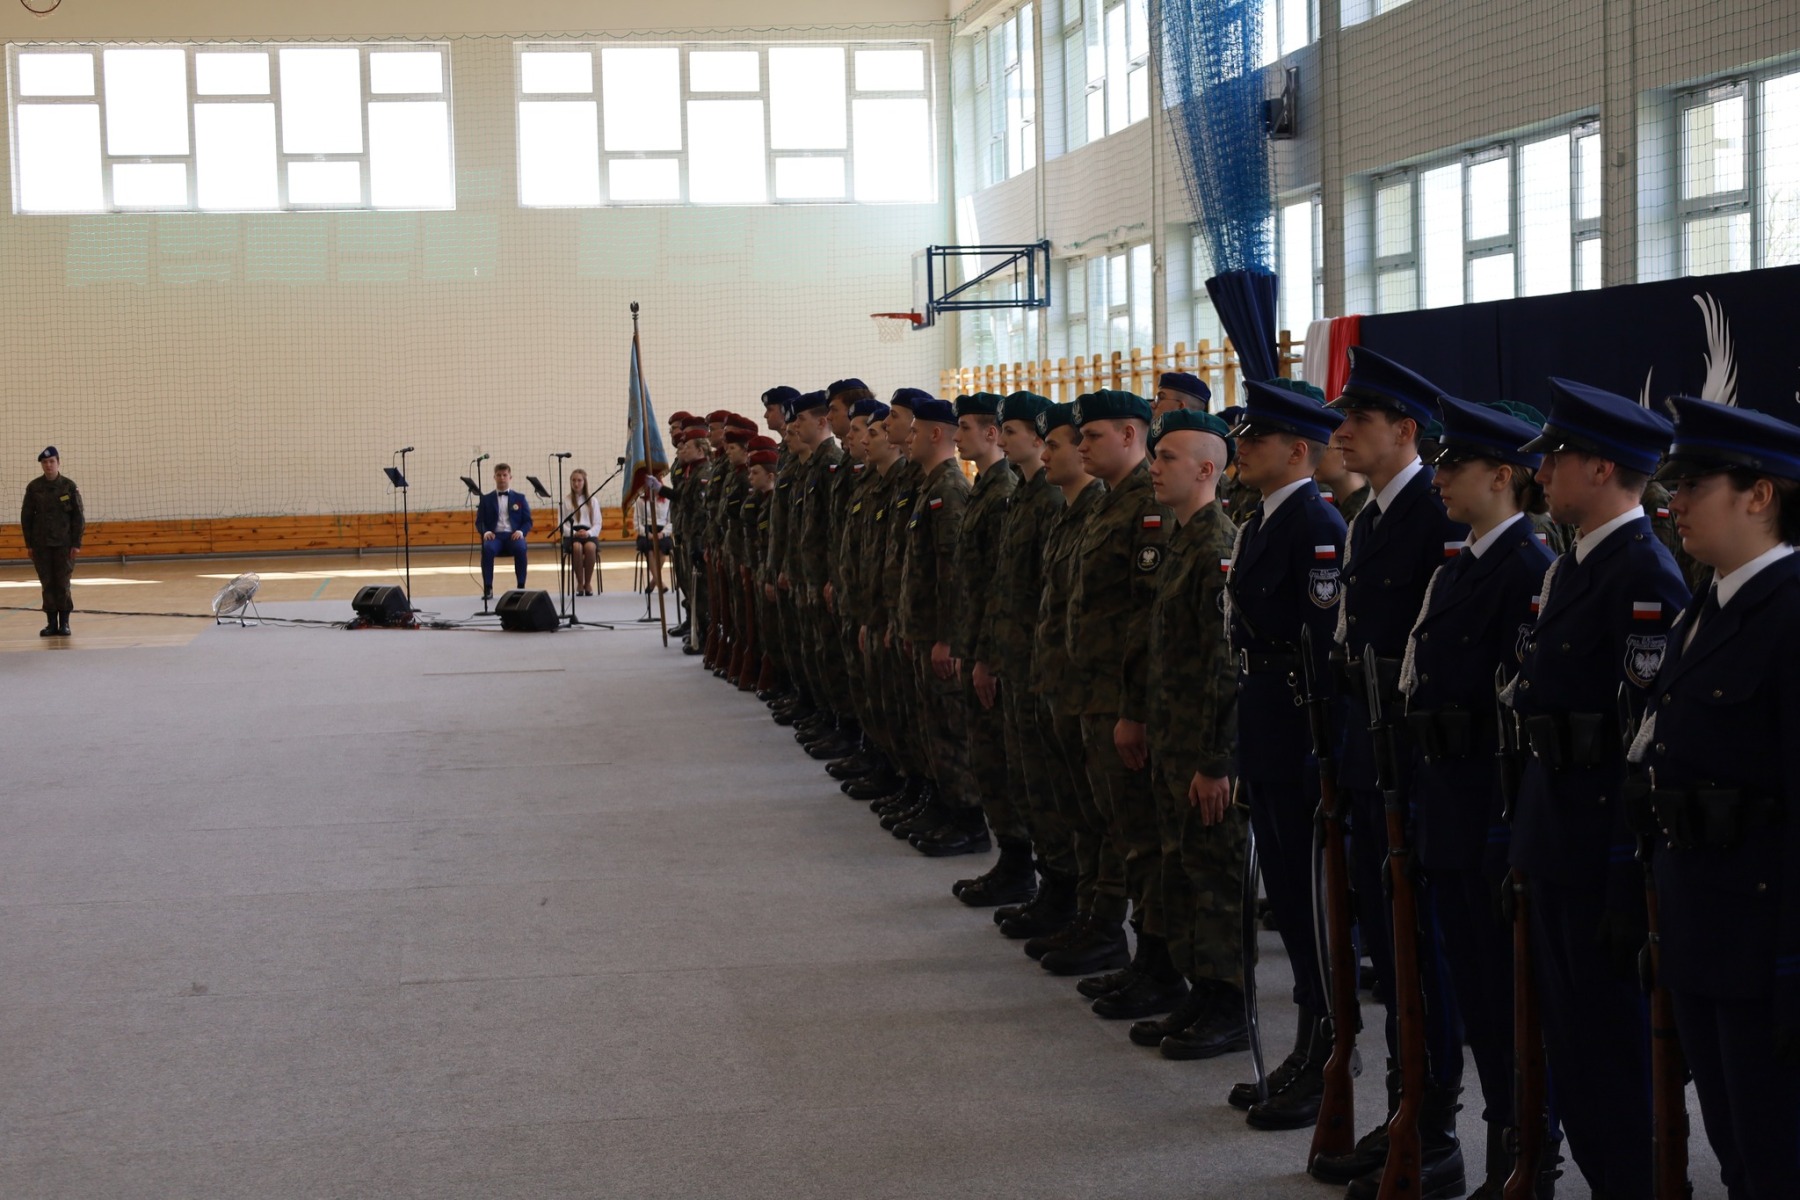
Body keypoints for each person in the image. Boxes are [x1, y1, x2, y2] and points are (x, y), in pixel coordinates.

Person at [1508, 377, 1687, 1200]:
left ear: (1604, 467)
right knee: (1573, 1049)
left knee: (1613, 1058)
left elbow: (1642, 745)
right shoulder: (1577, 564)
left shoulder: (1642, 572)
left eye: (1558, 458)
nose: (1542, 472)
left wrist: (1623, 876)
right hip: (1555, 839)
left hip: (1599, 855)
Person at [1631, 393, 1800, 1200]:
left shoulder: (1790, 610)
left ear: (1759, 494)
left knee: (1776, 1156)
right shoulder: (1707, 605)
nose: (1675, 502)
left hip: (1764, 940)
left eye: (1695, 485)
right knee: (1734, 1148)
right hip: (1700, 923)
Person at [1314, 347, 1470, 1198]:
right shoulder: (1371, 516)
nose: (1340, 432)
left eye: (1358, 419)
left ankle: (1433, 1123)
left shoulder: (1433, 519)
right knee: (1387, 942)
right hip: (1365, 758)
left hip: (1410, 767)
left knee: (1421, 948)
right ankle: (1404, 1103)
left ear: (1405, 430)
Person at [1400, 396, 1557, 1194]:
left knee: (1507, 998)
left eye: (1454, 465)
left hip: (1490, 819)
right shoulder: (1461, 565)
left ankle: (1526, 1147)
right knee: (1476, 993)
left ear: (1503, 476)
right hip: (1450, 809)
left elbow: (1521, 715)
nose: (1439, 477)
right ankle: (1503, 1137)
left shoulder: (1525, 568)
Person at [1214, 381, 1347, 1106]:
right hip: (1264, 724)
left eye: (1256, 439)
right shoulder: (1263, 520)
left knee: (1309, 900)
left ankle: (1327, 1045)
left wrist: (1316, 752)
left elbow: (1323, 649)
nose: (1243, 449)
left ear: (1298, 450)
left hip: (1297, 731)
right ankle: (1310, 1039)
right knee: (1291, 901)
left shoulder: (1315, 524)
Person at [1134, 407, 1250, 1059]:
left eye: (1167, 457)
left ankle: (1228, 1004)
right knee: (1184, 869)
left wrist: (1215, 760)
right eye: (1155, 455)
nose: (1154, 467)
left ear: (1207, 470)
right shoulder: (1182, 540)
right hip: (1174, 739)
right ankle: (1201, 991)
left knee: (1215, 875)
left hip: (1203, 749)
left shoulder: (1216, 546)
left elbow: (1226, 665)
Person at [1058, 389, 1178, 1011]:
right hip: (1095, 694)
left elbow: (1145, 619)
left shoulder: (1148, 506)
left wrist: (1134, 710)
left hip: (1124, 701)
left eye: (1092, 435)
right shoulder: (1107, 501)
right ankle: (1132, 949)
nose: (1081, 446)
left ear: (1132, 434)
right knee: (1117, 828)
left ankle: (1159, 965)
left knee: (1142, 835)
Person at [21, 446, 84, 637]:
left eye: (51, 461)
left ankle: (64, 623)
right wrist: (29, 545)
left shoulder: (69, 486)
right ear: (41, 464)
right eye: (45, 462)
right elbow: (26, 517)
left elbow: (78, 517)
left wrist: (76, 543)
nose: (48, 465)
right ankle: (50, 624)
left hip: (64, 545)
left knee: (62, 584)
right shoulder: (34, 487)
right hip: (41, 545)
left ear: (58, 463)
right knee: (47, 584)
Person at [565, 468, 602, 596]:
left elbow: (598, 523)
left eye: (579, 480)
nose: (576, 483)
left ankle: (588, 583)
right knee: (577, 548)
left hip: (588, 533)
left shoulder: (593, 501)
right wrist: (574, 533)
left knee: (590, 547)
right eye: (573, 480)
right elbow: (562, 525)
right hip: (572, 533)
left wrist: (588, 533)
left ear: (584, 482)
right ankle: (580, 583)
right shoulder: (566, 500)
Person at [635, 472, 673, 596]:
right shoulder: (640, 501)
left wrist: (663, 533)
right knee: (650, 549)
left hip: (662, 531)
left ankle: (653, 582)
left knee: (662, 548)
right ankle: (660, 582)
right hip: (646, 531)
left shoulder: (667, 500)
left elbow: (671, 522)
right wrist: (647, 533)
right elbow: (637, 522)